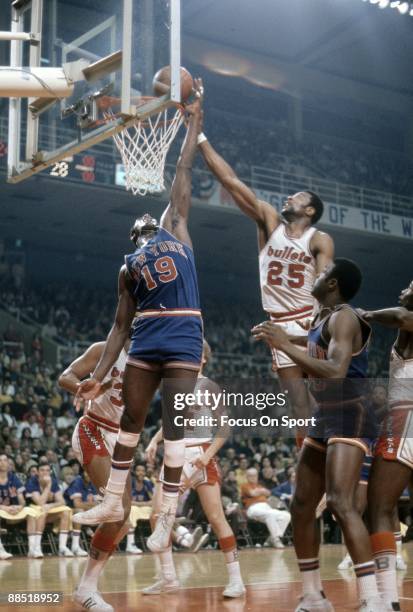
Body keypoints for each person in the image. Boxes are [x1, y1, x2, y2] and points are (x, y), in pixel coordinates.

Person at [73, 82, 204, 556]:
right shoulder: (128, 265)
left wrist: (195, 122)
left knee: (175, 425)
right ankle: (113, 503)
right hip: (148, 336)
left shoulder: (179, 229)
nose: (150, 222)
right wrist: (98, 378)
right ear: (136, 234)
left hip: (184, 330)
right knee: (133, 416)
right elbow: (118, 328)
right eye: (143, 225)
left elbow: (184, 169)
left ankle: (166, 516)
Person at [197, 90, 334, 437]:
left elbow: (327, 284)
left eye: (298, 196)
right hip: (279, 325)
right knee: (299, 406)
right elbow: (230, 181)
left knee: (330, 397)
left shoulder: (318, 238)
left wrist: (320, 328)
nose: (289, 196)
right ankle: (307, 468)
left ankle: (344, 451)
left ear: (310, 210)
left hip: (310, 318)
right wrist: (198, 135)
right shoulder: (269, 222)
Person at [253, 259, 384, 612]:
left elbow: (337, 370)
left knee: (342, 503)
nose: (316, 274)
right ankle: (313, 596)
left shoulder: (345, 316)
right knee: (300, 505)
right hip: (325, 416)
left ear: (333, 284)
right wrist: (280, 336)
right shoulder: (321, 321)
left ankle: (373, 599)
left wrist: (284, 344)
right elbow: (308, 342)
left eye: (323, 272)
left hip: (350, 410)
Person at [144, 339, 246, 598]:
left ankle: (236, 580)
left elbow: (225, 427)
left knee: (215, 518)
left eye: (194, 352)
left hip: (200, 453)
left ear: (202, 359)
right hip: (176, 454)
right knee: (156, 516)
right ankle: (168, 579)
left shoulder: (208, 386)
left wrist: (208, 454)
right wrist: (153, 442)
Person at [58, 337, 141, 611]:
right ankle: (86, 588)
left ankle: (86, 587)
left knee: (124, 518)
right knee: (119, 510)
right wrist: (81, 389)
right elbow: (65, 376)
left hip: (120, 438)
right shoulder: (102, 349)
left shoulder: (150, 356)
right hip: (92, 428)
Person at [363, 281, 413, 611]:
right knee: (386, 507)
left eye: (411, 286)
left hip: (406, 417)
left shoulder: (407, 319)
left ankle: (388, 599)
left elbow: (400, 316)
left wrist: (363, 314)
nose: (403, 288)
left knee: (378, 507)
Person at [25, 461, 83, 557]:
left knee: (66, 511)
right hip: (32, 510)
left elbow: (62, 501)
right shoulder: (32, 481)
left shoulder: (54, 481)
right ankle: (36, 547)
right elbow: (40, 502)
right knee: (42, 512)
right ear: (38, 472)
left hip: (48, 509)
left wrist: (50, 505)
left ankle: (62, 547)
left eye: (47, 470)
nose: (45, 473)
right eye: (42, 470)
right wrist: (48, 486)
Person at [0, 453, 39, 559]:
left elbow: (22, 501)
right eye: (0, 460)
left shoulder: (14, 478)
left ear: (8, 463)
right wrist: (5, 508)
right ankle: (0, 550)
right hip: (2, 511)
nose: (2, 463)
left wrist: (19, 507)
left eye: (4, 460)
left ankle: (32, 549)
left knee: (30, 512)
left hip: (14, 511)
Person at [241, 467, 290, 549]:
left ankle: (270, 539)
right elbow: (252, 493)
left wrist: (259, 490)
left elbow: (268, 493)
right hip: (253, 508)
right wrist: (261, 491)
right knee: (270, 515)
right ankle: (276, 539)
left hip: (266, 507)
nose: (253, 477)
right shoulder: (245, 486)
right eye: (250, 476)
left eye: (255, 475)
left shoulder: (259, 485)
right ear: (247, 477)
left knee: (286, 515)